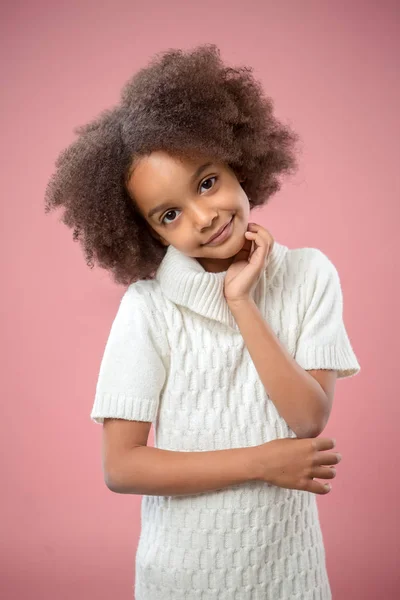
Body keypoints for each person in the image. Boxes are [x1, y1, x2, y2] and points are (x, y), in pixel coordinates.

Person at [44, 44, 361, 600]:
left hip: (290, 573)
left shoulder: (310, 274)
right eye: (170, 214)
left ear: (236, 159)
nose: (204, 216)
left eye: (207, 182)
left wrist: (241, 302)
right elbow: (122, 466)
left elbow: (308, 418)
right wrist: (261, 462)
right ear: (151, 233)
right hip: (183, 578)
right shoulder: (148, 310)